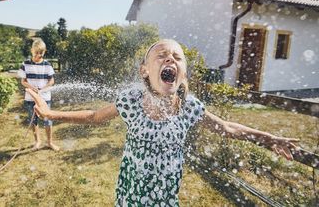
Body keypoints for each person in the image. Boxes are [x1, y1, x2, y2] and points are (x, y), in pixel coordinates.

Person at [26, 39, 299, 206]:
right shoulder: (132, 100)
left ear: (182, 72)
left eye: (177, 57)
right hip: (131, 193)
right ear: (145, 70)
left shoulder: (189, 107)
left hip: (165, 198)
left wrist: (269, 138)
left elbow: (227, 128)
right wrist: (51, 115)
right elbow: (94, 117)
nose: (170, 58)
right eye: (161, 56)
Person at [18, 39, 60, 151]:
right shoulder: (25, 64)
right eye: (36, 52)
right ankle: (37, 142)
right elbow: (23, 81)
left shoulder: (47, 65)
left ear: (44, 52)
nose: (38, 55)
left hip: (45, 97)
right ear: (32, 50)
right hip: (30, 97)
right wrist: (32, 88)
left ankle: (50, 142)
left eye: (41, 52)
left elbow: (51, 81)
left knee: (48, 119)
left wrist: (42, 89)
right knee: (33, 120)